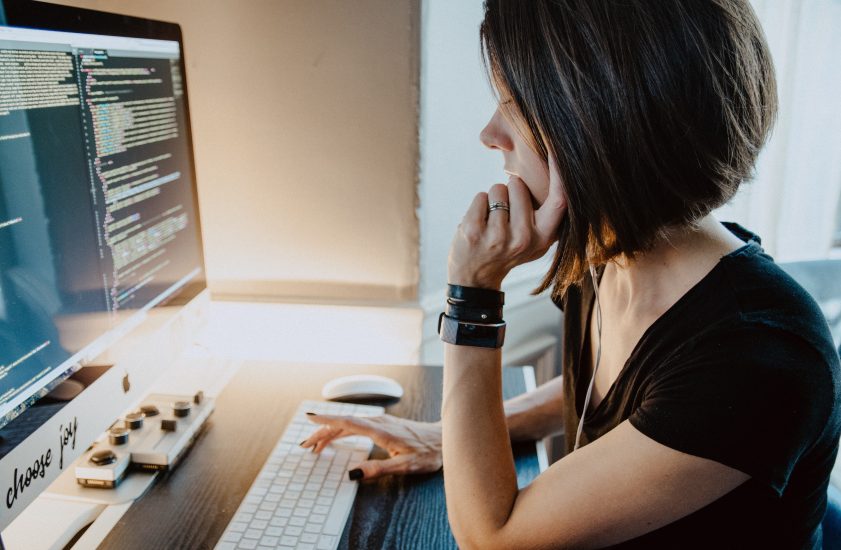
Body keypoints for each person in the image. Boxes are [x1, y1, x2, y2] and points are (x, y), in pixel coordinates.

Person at [301, 1, 841, 547]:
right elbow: (648, 401)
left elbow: (492, 538)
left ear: (604, 124)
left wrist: (473, 292)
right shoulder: (608, 257)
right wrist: (446, 439)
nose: (490, 133)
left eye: (515, 105)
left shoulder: (758, 357)